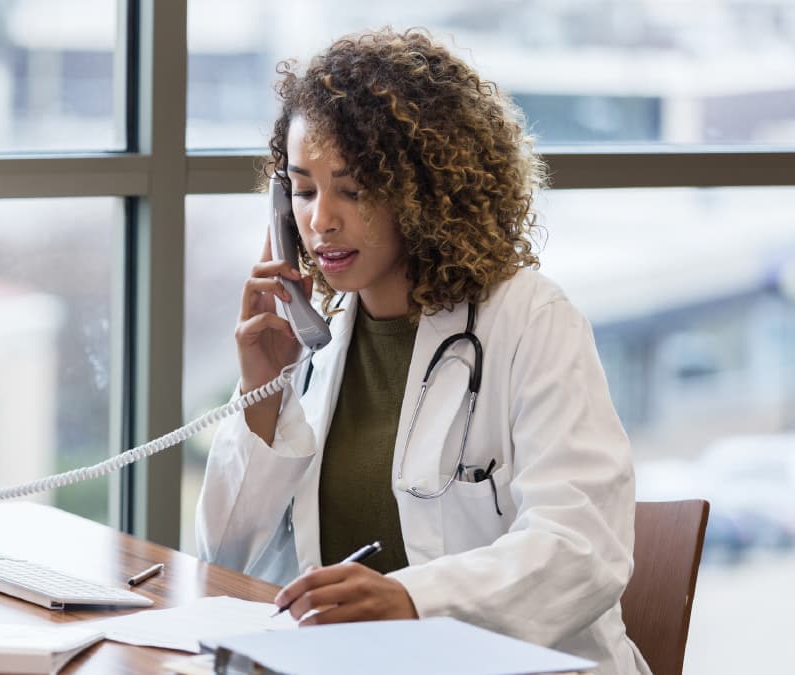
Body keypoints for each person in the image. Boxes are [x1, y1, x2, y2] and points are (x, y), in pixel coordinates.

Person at [195, 28, 649, 674]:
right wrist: (262, 397)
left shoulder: (530, 320)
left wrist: (413, 595)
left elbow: (581, 548)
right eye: (302, 190)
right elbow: (224, 556)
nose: (320, 220)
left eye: (352, 189)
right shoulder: (316, 345)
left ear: (425, 191)